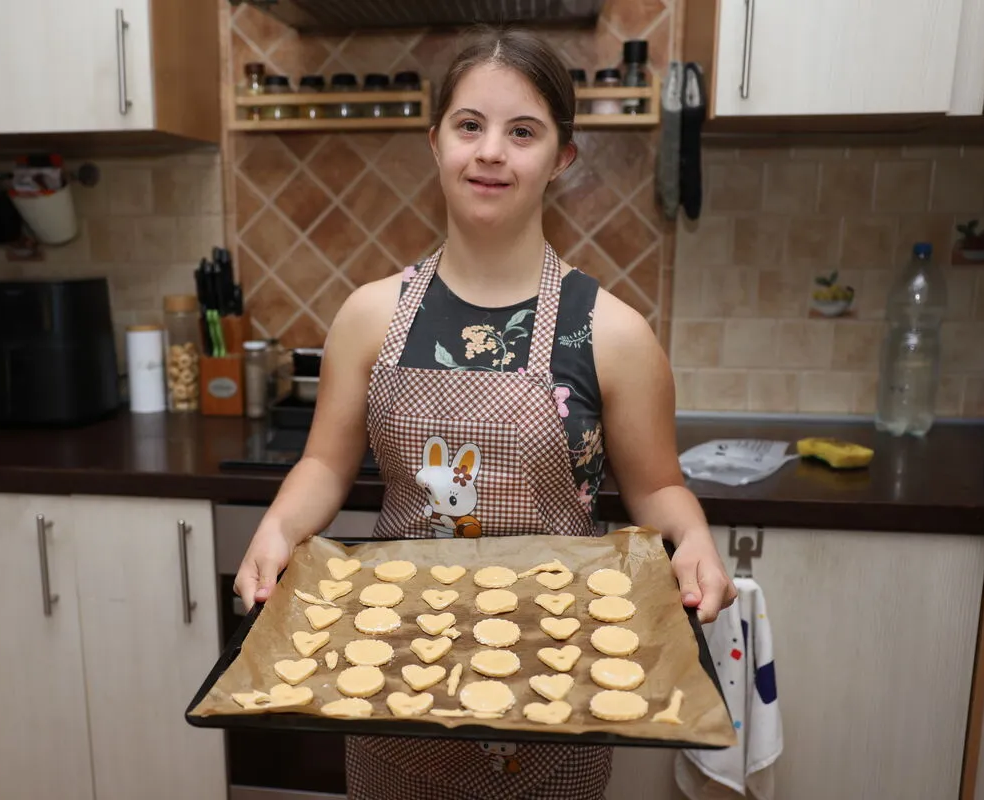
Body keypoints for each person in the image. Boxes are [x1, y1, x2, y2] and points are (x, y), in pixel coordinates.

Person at [234, 27, 737, 800]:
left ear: (562, 158)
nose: (491, 151)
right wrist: (276, 527)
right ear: (435, 143)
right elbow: (325, 463)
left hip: (557, 687)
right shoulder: (371, 315)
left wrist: (693, 533)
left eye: (523, 131)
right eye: (470, 125)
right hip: (391, 680)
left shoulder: (612, 332)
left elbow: (657, 488)